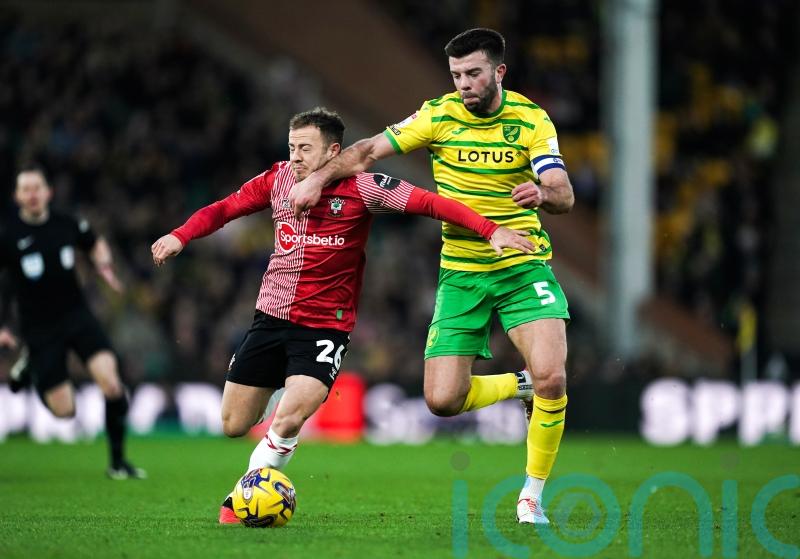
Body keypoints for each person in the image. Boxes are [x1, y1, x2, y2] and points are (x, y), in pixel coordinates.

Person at [150, 107, 534, 524]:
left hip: (324, 328)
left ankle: (241, 500)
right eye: (292, 147)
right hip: (269, 319)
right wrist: (179, 235)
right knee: (232, 424)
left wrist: (490, 229)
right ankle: (261, 417)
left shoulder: (365, 188)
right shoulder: (276, 180)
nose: (295, 156)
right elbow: (223, 209)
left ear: (334, 151)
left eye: (305, 148)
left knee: (290, 415)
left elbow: (430, 203)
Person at [289, 29, 574, 524]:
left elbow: (563, 191)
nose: (463, 83)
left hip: (522, 264)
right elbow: (366, 152)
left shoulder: (530, 120)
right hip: (461, 271)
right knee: (443, 400)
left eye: (473, 73)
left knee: (554, 374)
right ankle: (521, 387)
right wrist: (317, 177)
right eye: (456, 75)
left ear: (499, 72)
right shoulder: (437, 115)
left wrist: (542, 193)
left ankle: (531, 495)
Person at [0, 166, 145, 480]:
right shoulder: (8, 235)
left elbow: (94, 242)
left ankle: (118, 463)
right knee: (65, 412)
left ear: (48, 192)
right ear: (17, 197)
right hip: (39, 329)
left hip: (77, 316)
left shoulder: (67, 224)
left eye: (37, 187)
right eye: (26, 189)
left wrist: (103, 265)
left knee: (112, 384)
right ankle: (34, 367)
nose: (33, 194)